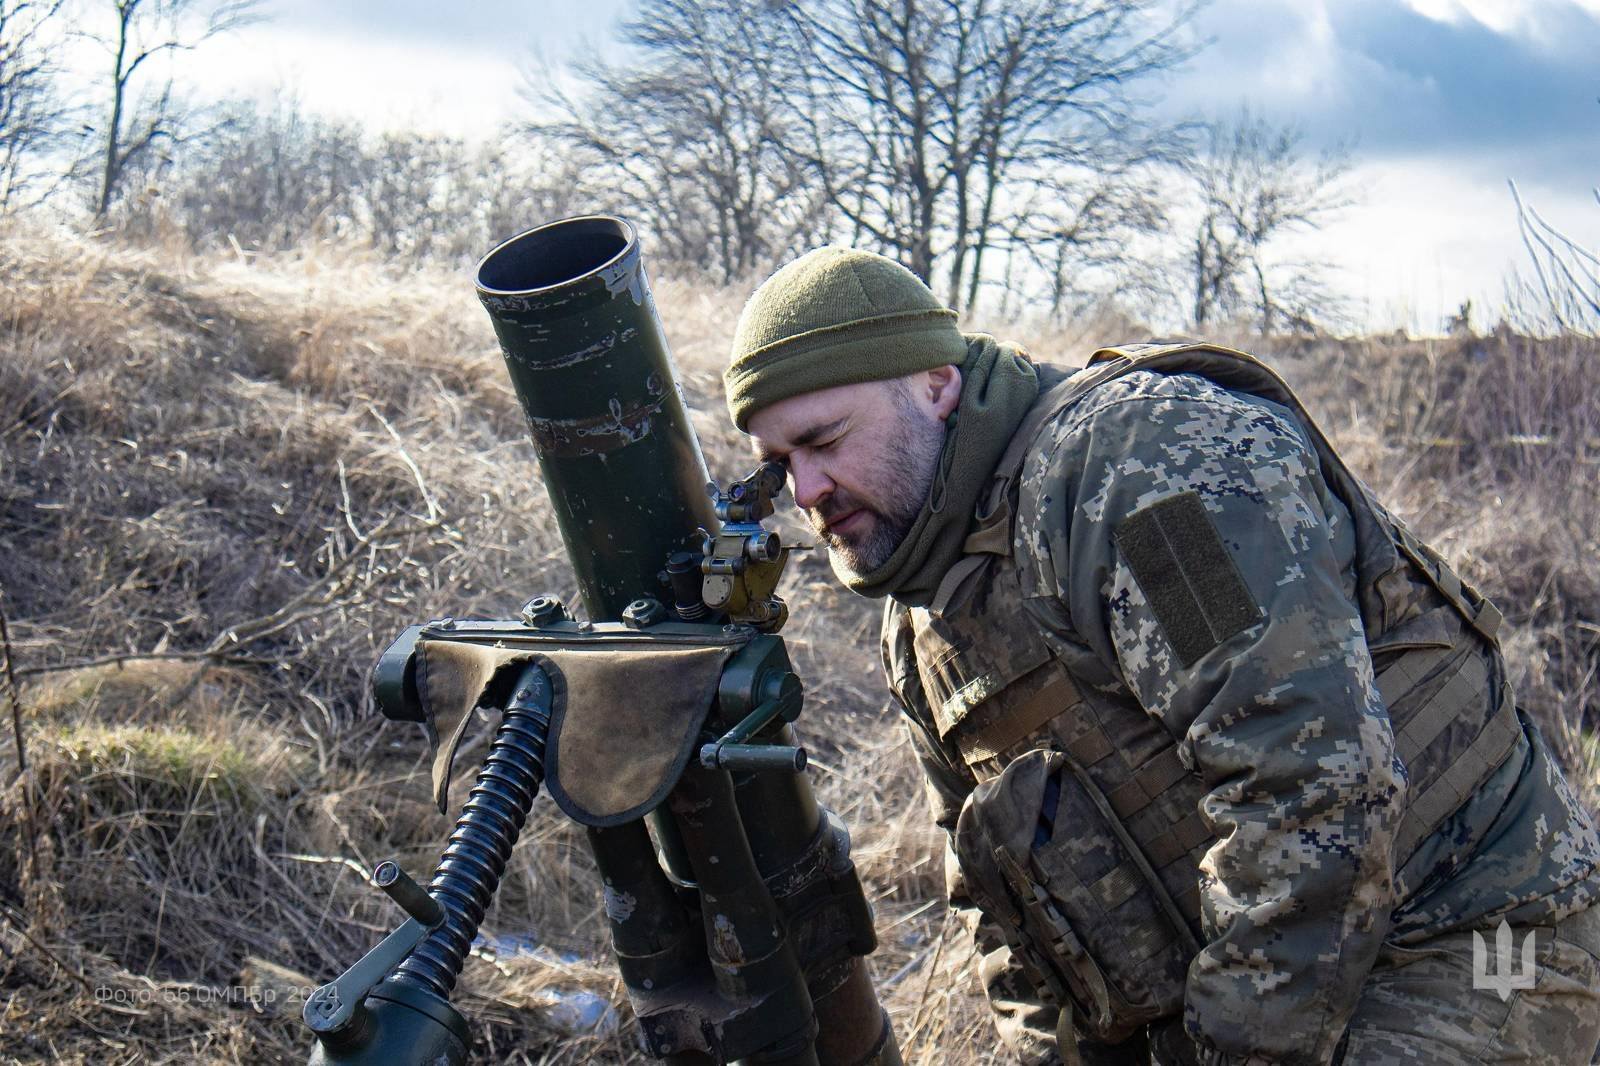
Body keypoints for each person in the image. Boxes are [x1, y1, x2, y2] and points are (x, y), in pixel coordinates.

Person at [720, 246, 1600, 1065]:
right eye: (777, 465)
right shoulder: (922, 620)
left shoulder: (1141, 475)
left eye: (825, 441)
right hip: (1267, 974)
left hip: (1483, 936)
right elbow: (1004, 913)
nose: (807, 494)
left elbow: (1311, 782)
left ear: (938, 386)